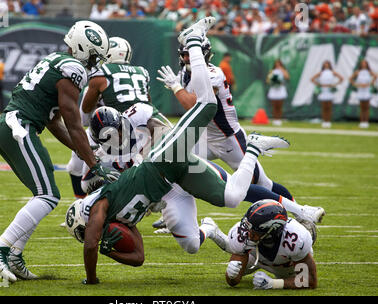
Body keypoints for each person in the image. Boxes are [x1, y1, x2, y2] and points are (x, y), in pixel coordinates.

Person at [74, 17, 323, 284]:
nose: (94, 231)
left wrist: (91, 272)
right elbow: (137, 257)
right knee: (230, 199)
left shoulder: (103, 201)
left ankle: (193, 36)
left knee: (207, 106)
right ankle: (254, 148)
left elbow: (90, 235)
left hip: (166, 158)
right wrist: (108, 247)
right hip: (174, 178)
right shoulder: (122, 218)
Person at [0, 20, 113, 283]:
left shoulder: (58, 61)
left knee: (45, 193)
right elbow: (74, 124)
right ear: (83, 49)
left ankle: (15, 254)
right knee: (48, 195)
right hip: (18, 126)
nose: (95, 62)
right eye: (95, 55)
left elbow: (54, 123)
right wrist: (93, 163)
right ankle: (0, 247)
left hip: (14, 126)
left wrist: (86, 151)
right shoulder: (72, 68)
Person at [156, 37, 295, 216]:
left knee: (262, 184)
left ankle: (300, 211)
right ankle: (174, 217)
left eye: (191, 54)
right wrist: (178, 85)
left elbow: (193, 105)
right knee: (176, 167)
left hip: (228, 139)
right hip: (205, 138)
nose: (187, 59)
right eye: (184, 55)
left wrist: (176, 87)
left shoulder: (214, 73)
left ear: (203, 55)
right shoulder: (184, 73)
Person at [67, 36, 171, 199]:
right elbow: (147, 102)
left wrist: (97, 98)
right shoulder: (142, 72)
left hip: (116, 127)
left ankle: (84, 206)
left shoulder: (101, 73)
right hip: (145, 124)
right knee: (160, 163)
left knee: (80, 168)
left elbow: (86, 113)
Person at [209, 199, 317, 289]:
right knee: (238, 262)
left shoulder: (294, 239)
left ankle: (308, 227)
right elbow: (233, 282)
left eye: (255, 232)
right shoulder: (244, 233)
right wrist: (231, 275)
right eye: (248, 228)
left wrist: (274, 284)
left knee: (288, 276)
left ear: (271, 232)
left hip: (286, 266)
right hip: (254, 256)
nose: (248, 234)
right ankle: (213, 232)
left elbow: (309, 280)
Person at [311, 61, 343, 128]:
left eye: (327, 64)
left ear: (329, 65)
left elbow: (341, 78)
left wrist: (334, 84)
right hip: (323, 91)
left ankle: (328, 121)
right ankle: (324, 121)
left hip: (329, 91)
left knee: (329, 107)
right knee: (324, 107)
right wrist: (319, 85)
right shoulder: (321, 73)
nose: (326, 66)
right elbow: (312, 79)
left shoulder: (332, 72)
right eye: (325, 64)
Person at [350, 59, 377, 129]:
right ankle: (362, 122)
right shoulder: (357, 72)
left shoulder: (369, 72)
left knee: (366, 107)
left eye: (365, 63)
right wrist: (357, 85)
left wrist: (370, 84)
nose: (364, 65)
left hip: (367, 91)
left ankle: (366, 122)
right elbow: (351, 79)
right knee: (361, 108)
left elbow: (375, 76)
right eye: (362, 63)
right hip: (360, 91)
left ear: (367, 65)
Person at [266, 59, 289, 126]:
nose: (277, 65)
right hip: (273, 89)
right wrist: (273, 81)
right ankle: (275, 119)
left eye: (279, 63)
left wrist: (282, 69)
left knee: (280, 106)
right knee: (274, 106)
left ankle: (279, 120)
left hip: (281, 89)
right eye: (276, 63)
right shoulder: (272, 71)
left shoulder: (283, 70)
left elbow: (287, 77)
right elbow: (267, 80)